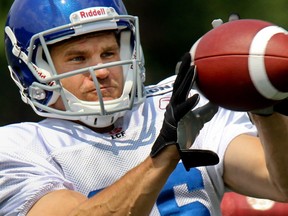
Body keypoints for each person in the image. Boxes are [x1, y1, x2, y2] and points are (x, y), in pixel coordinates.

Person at [1, 0, 288, 215]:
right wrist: (164, 156)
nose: (101, 70)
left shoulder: (179, 104)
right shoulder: (18, 147)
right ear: (34, 70)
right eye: (77, 58)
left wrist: (266, 107)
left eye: (109, 53)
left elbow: (280, 184)